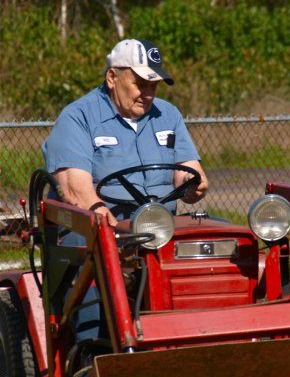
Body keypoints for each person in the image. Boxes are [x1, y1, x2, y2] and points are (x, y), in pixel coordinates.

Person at [42, 38, 208, 343]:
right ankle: (90, 350)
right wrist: (101, 217)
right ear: (112, 77)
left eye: (154, 85)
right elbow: (75, 189)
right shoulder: (78, 117)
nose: (148, 93)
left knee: (214, 242)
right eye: (140, 83)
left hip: (156, 229)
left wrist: (194, 185)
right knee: (89, 254)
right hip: (100, 230)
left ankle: (207, 336)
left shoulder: (167, 115)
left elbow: (190, 169)